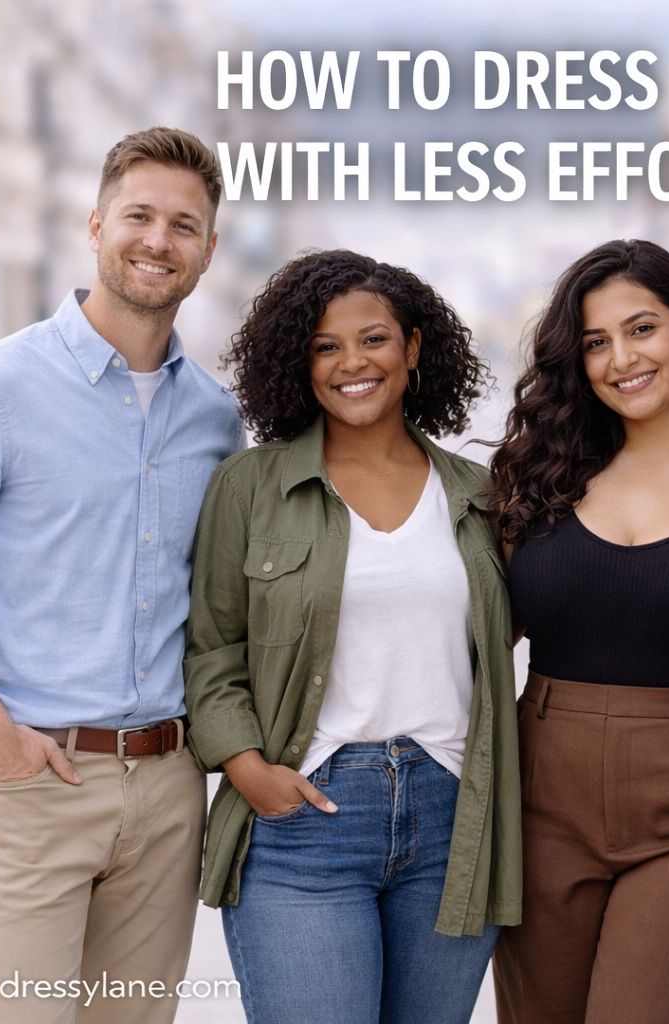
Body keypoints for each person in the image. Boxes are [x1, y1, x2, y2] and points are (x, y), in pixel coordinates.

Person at [183, 249, 521, 1024]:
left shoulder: (479, 495)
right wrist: (247, 768)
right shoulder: (251, 487)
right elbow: (212, 648)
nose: (350, 364)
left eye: (372, 339)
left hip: (452, 818)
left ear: (414, 348)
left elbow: (546, 615)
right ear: (298, 365)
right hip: (305, 819)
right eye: (324, 347)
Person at [0, 127, 243, 1024]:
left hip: (168, 791)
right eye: (139, 215)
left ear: (208, 249)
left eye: (184, 224)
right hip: (30, 782)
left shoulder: (215, 419)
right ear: (95, 225)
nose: (158, 241)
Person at [489, 239, 669, 1024]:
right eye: (595, 342)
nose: (621, 358)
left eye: (641, 329)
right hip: (542, 792)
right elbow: (485, 634)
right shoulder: (537, 478)